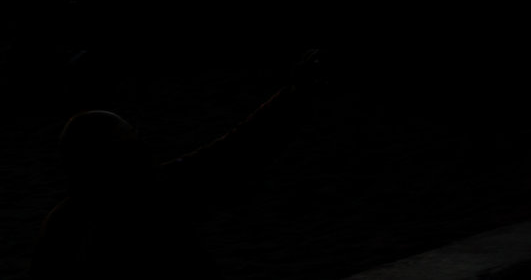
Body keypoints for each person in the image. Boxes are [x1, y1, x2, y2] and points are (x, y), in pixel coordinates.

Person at [31, 52, 322, 280]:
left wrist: (292, 95)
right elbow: (236, 152)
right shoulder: (154, 195)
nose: (143, 149)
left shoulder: (61, 226)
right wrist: (294, 95)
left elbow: (236, 150)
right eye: (132, 143)